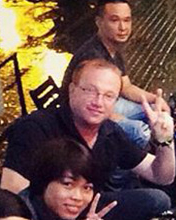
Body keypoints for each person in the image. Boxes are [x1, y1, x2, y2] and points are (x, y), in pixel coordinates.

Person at [1, 58, 174, 220]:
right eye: (90, 90)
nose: (98, 102)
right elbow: (12, 200)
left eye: (108, 96)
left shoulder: (109, 132)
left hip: (90, 210)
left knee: (158, 200)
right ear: (72, 90)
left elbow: (161, 176)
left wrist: (165, 139)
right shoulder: (35, 128)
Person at [62, 0, 156, 148]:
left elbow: (126, 87)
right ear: (99, 22)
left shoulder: (112, 47)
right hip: (82, 115)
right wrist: (119, 119)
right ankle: (122, 162)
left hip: (106, 102)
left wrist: (155, 99)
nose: (122, 28)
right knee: (139, 131)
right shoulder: (92, 58)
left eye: (127, 20)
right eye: (114, 20)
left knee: (155, 110)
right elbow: (90, 106)